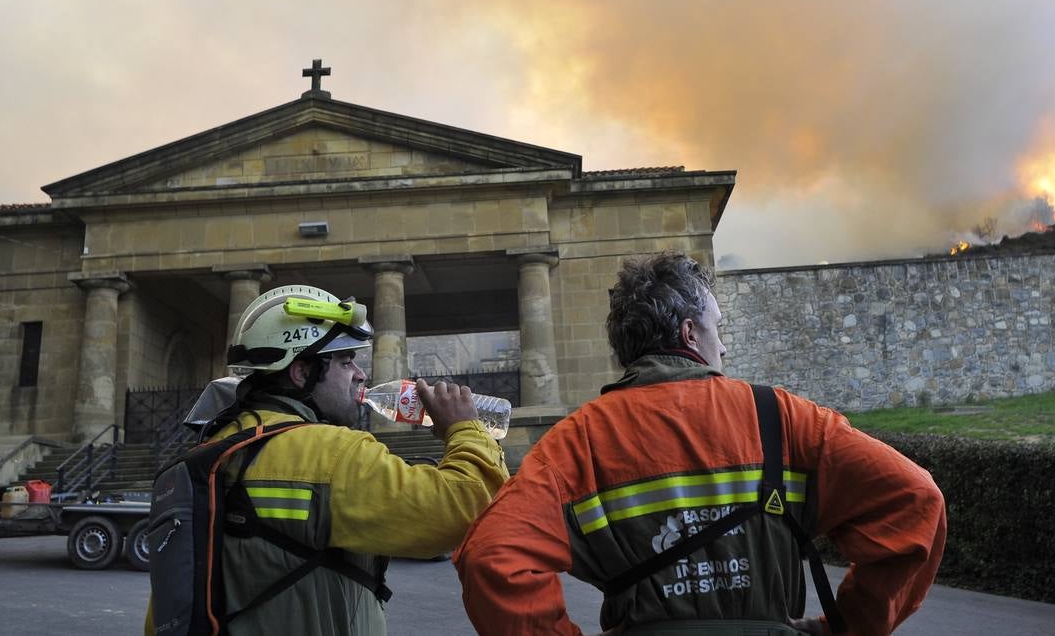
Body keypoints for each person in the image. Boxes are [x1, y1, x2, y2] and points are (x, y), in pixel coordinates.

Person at [454, 252, 946, 635]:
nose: (724, 347)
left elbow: (491, 557)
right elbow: (915, 502)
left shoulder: (577, 442)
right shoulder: (785, 419)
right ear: (689, 332)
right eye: (717, 328)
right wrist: (846, 627)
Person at [143, 284, 509, 636]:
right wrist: (466, 429)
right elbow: (469, 508)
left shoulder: (211, 453)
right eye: (346, 361)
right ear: (302, 372)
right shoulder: (331, 454)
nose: (361, 374)